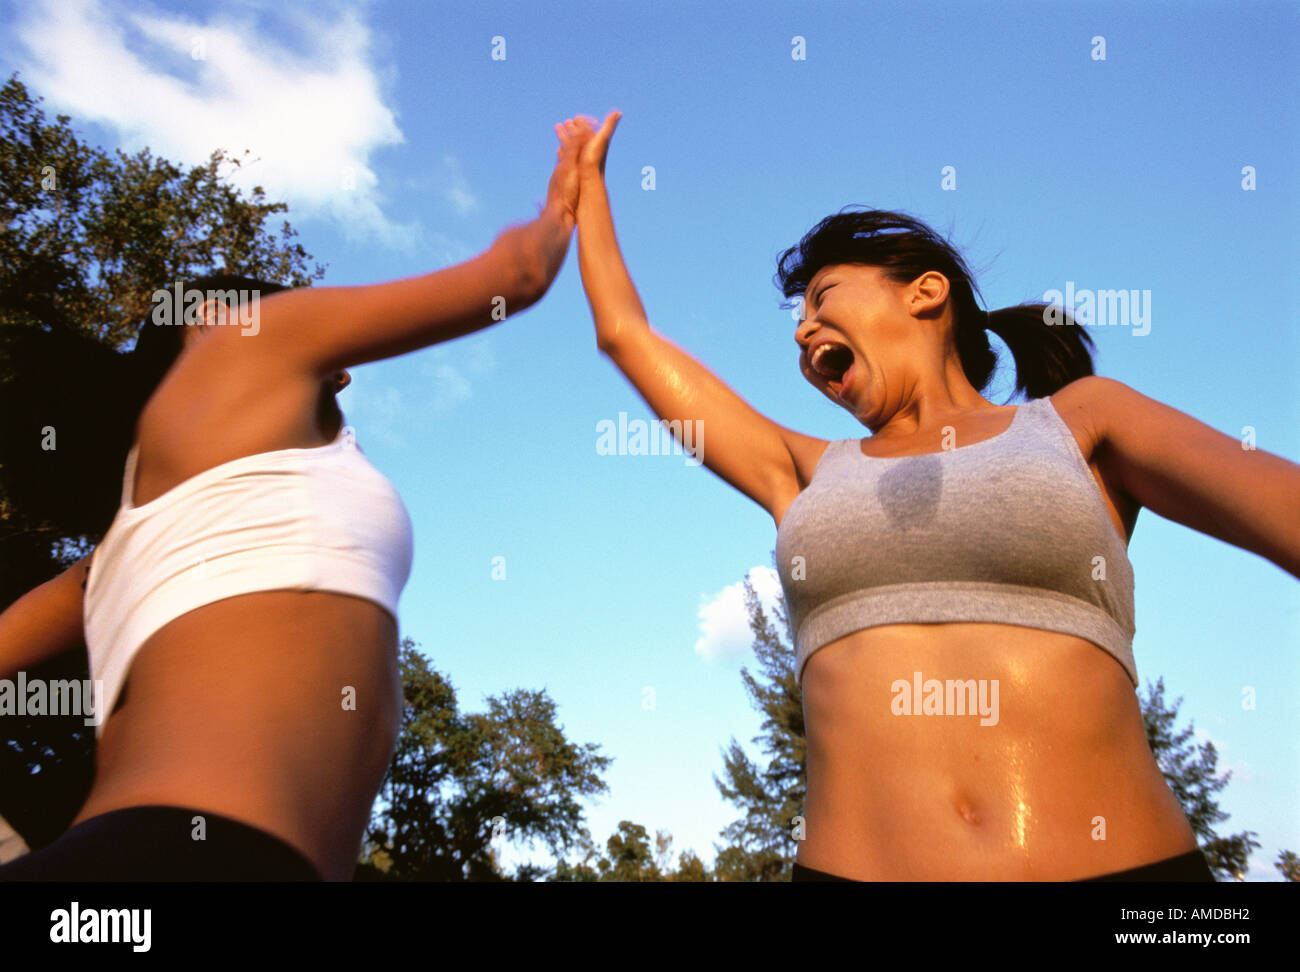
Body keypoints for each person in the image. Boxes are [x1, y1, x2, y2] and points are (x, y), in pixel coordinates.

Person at [571, 111, 1300, 881]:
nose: (802, 331)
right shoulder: (803, 468)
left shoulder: (1081, 421)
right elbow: (625, 335)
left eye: (823, 299)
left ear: (925, 292)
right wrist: (585, 193)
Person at [0, 118, 596, 881]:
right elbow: (513, 278)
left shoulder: (132, 539)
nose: (340, 358)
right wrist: (565, 197)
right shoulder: (241, 340)